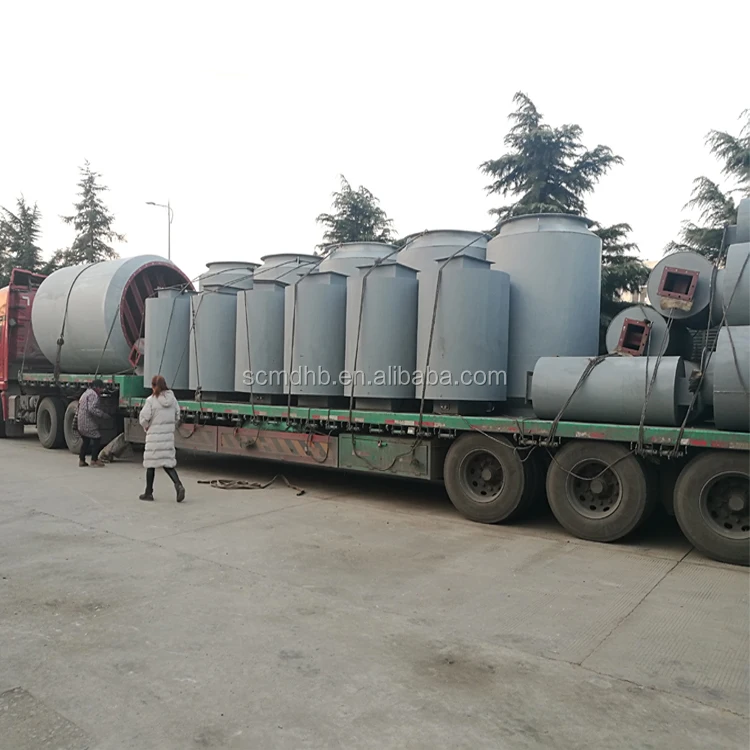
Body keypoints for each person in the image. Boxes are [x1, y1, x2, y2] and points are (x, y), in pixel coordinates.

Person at [138, 375, 185, 502]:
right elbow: (177, 415)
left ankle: (148, 492)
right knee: (168, 463)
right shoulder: (172, 399)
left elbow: (143, 418)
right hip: (167, 437)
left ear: (153, 386)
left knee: (150, 465)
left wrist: (146, 426)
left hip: (154, 437)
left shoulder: (151, 400)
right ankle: (178, 484)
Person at [77, 379, 108, 468]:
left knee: (86, 441)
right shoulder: (93, 395)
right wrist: (102, 414)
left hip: (81, 421)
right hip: (87, 421)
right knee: (97, 438)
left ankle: (81, 460)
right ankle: (94, 460)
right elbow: (92, 408)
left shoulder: (86, 392)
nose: (101, 390)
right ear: (97, 387)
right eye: (101, 388)